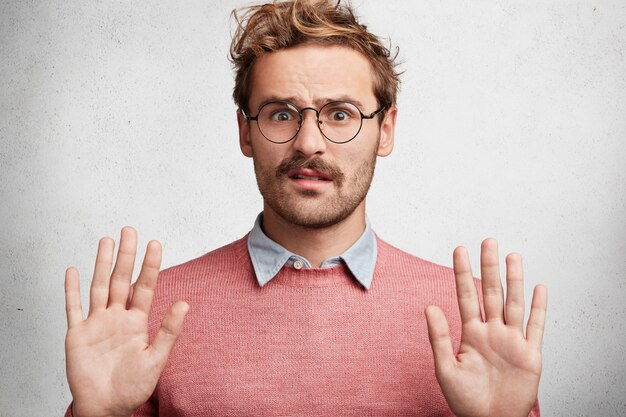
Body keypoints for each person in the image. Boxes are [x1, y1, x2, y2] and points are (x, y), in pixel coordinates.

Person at [63, 1, 547, 416]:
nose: (309, 142)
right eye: (281, 113)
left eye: (341, 114)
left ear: (387, 130)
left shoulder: (475, 322)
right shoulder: (148, 318)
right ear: (245, 132)